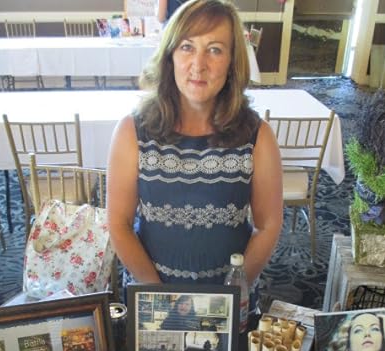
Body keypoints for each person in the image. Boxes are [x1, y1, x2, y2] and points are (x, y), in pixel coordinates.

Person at [107, 0, 283, 314]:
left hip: (227, 301)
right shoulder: (132, 131)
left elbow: (268, 225)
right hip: (152, 295)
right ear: (170, 56)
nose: (198, 65)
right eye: (187, 47)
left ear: (232, 61)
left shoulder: (258, 136)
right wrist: (162, 300)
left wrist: (231, 295)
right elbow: (119, 225)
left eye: (215, 50)